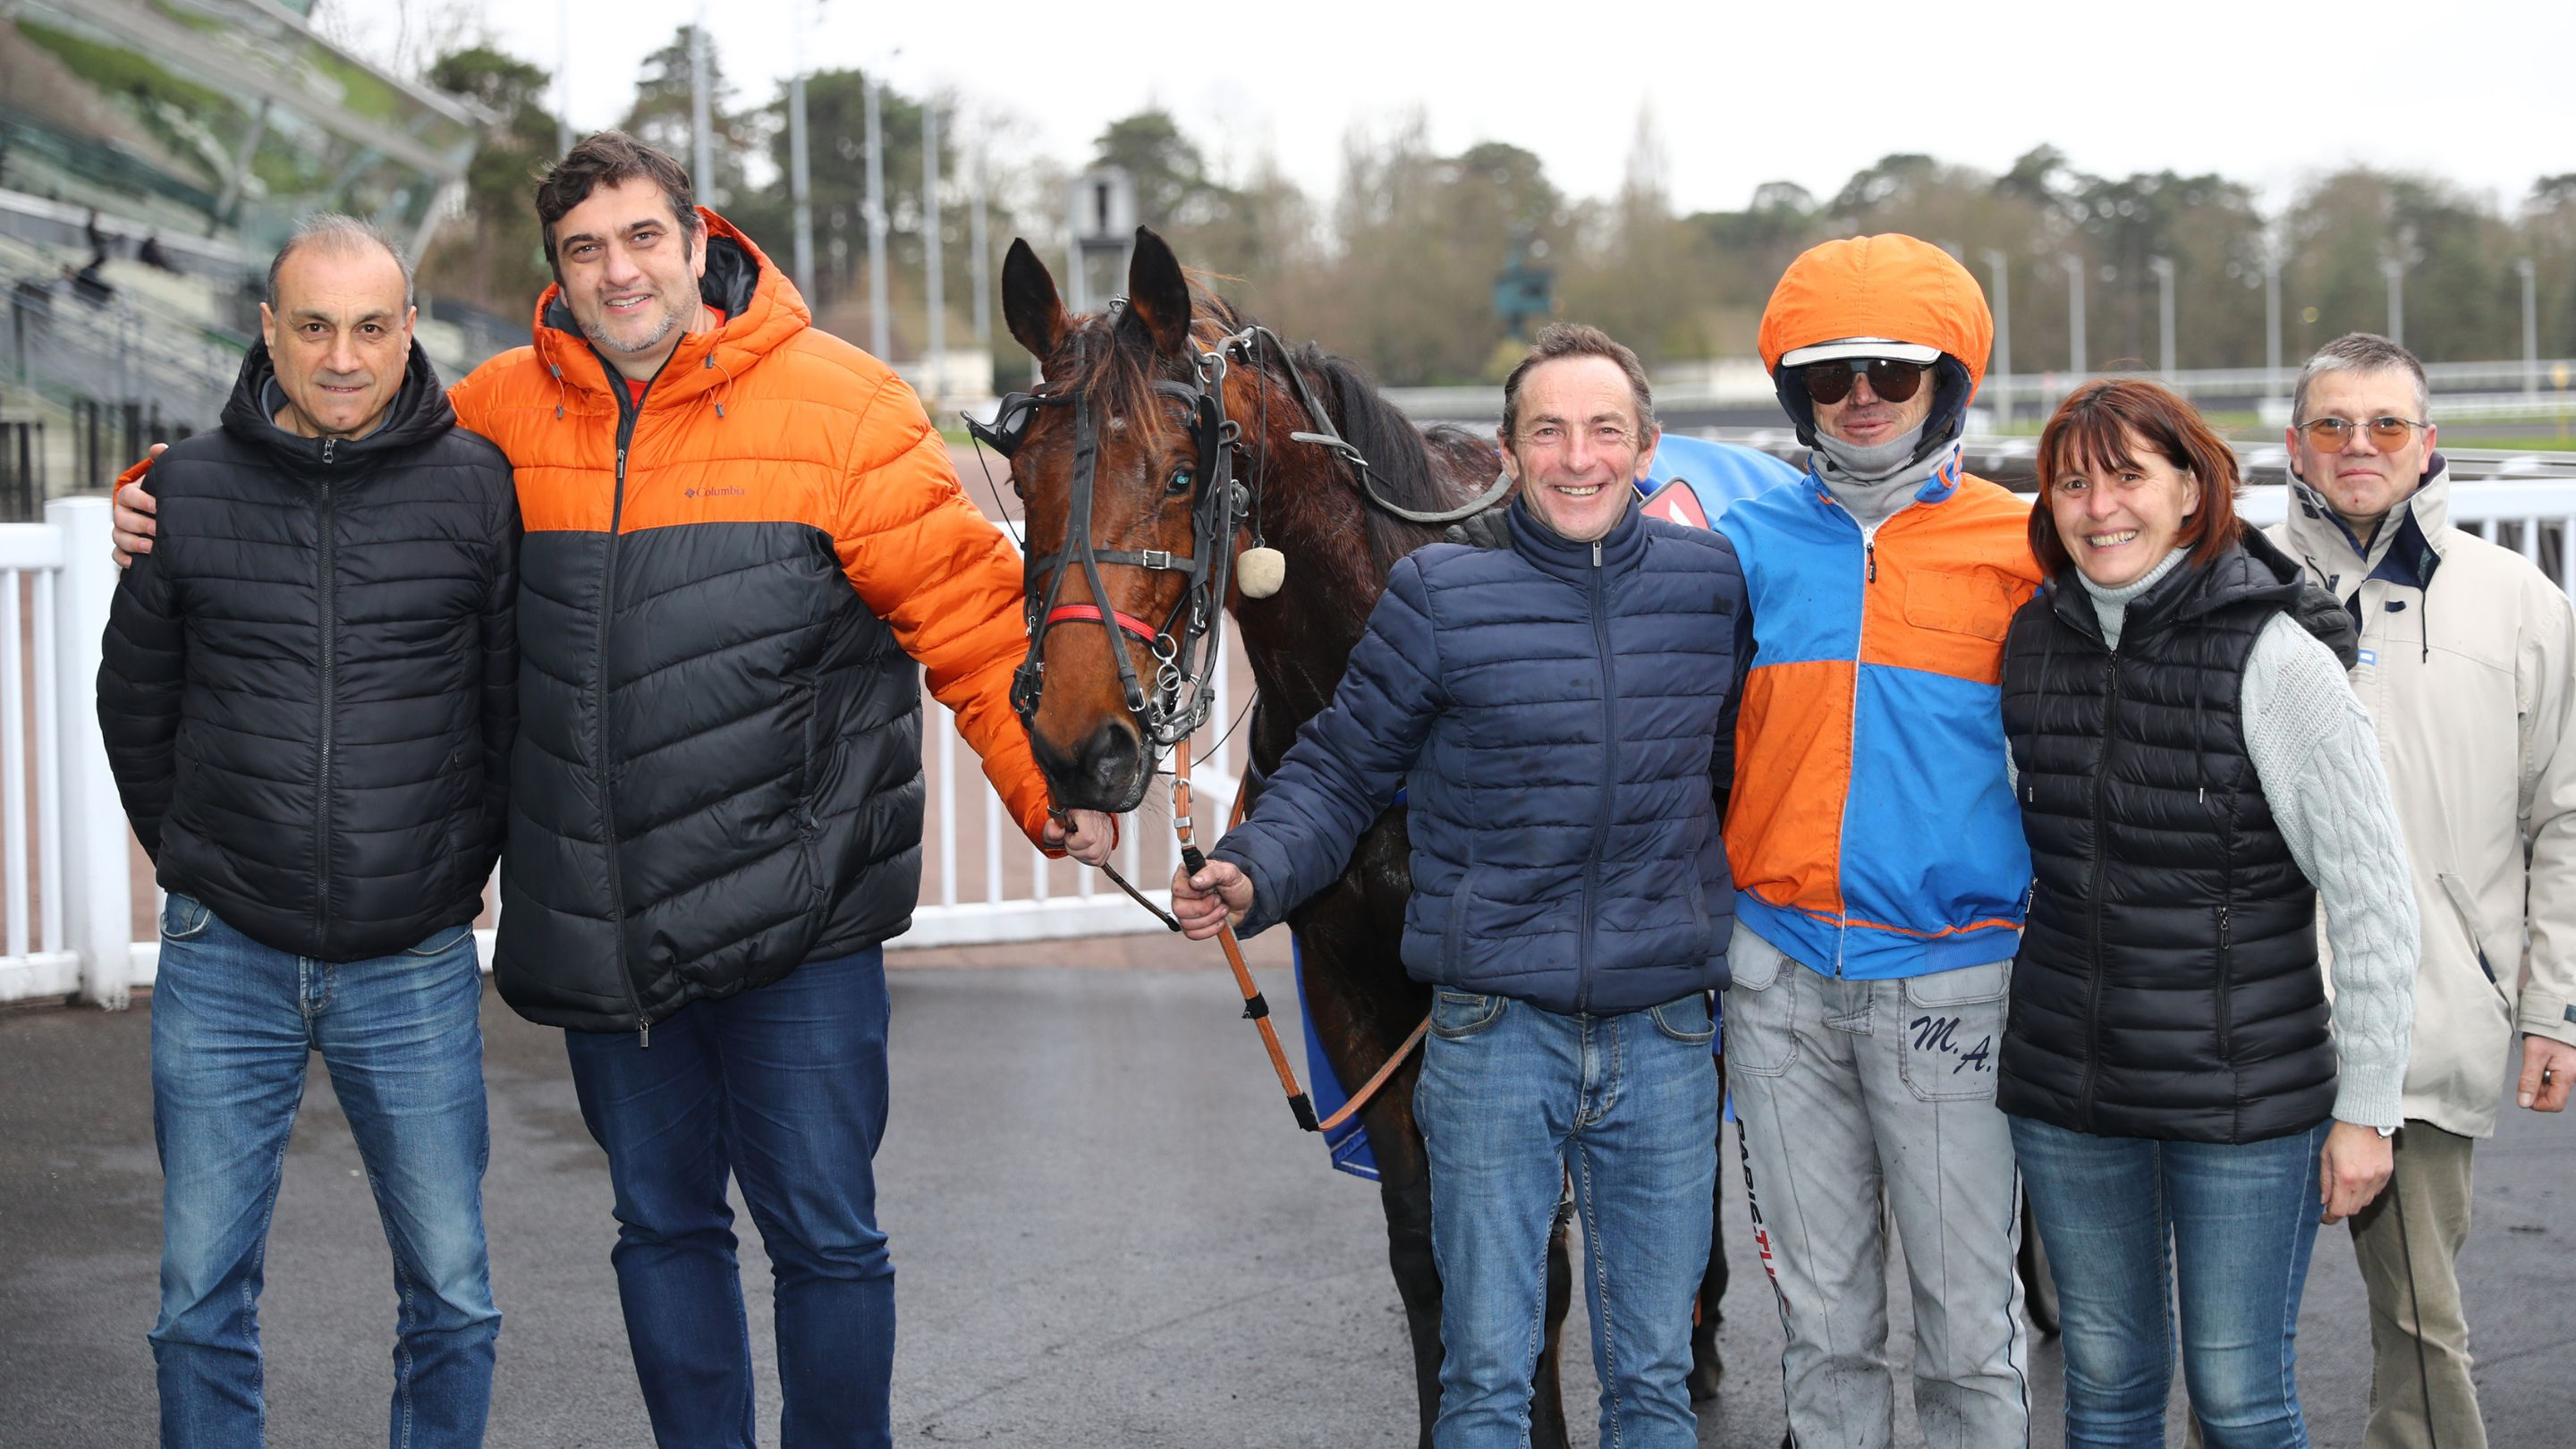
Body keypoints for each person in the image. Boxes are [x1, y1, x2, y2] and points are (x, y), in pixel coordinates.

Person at [114, 131, 1117, 1449]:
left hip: (798, 919)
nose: (618, 270)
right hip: (609, 929)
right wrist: (161, 496)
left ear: (701, 242)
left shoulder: (849, 406)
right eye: (584, 249)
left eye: (643, 237)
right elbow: (332, 456)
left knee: (825, 1238)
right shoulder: (498, 412)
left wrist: (1047, 786)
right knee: (662, 1231)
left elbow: (973, 624)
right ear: (558, 272)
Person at [1174, 323, 1741, 1449]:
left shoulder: (1709, 587)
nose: (1576, 458)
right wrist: (1254, 868)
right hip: (1494, 1036)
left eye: (1604, 431)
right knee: (1485, 1378)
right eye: (1549, 432)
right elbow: (1340, 765)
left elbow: (1730, 774)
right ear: (1509, 451)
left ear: (1646, 448)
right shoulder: (1438, 595)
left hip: (1663, 1034)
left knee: (1653, 1384)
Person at [97, 215, 517, 1449]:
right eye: (316, 326)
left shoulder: (476, 487)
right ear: (268, 331)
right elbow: (137, 705)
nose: (344, 356)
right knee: (197, 1302)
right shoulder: (184, 490)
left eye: (372, 327)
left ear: (410, 331)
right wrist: (199, 860)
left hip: (413, 958)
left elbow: (507, 705)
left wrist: (449, 869)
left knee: (453, 1295)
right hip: (226, 954)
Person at [1999, 377, 2419, 1447]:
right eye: (2072, 484)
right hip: (2071, 1091)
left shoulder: (2276, 657)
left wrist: (2368, 1110)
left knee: (2238, 1397)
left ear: (2192, 490)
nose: (2099, 508)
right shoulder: (2032, 642)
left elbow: (2373, 896)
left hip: (2246, 1100)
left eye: (2127, 477)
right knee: (2105, 1388)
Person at [1716, 233, 2041, 1448]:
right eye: (1830, 374)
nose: (1860, 397)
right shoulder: (1741, 547)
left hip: (1954, 985)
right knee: (1824, 1331)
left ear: (1945, 384)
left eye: (1892, 373)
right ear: (1794, 392)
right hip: (1779, 987)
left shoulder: (2026, 547)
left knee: (1967, 1337)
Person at [2270, 333, 2576, 1449]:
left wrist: (2553, 1007)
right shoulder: (2231, 584)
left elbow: (2565, 815)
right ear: (2294, 445)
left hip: (2433, 1017)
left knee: (2422, 1329)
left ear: (2427, 441)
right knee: (2232, 1342)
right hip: (2253, 1022)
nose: (2360, 445)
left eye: (2386, 424)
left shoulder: (2517, 600)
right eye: (2335, 424)